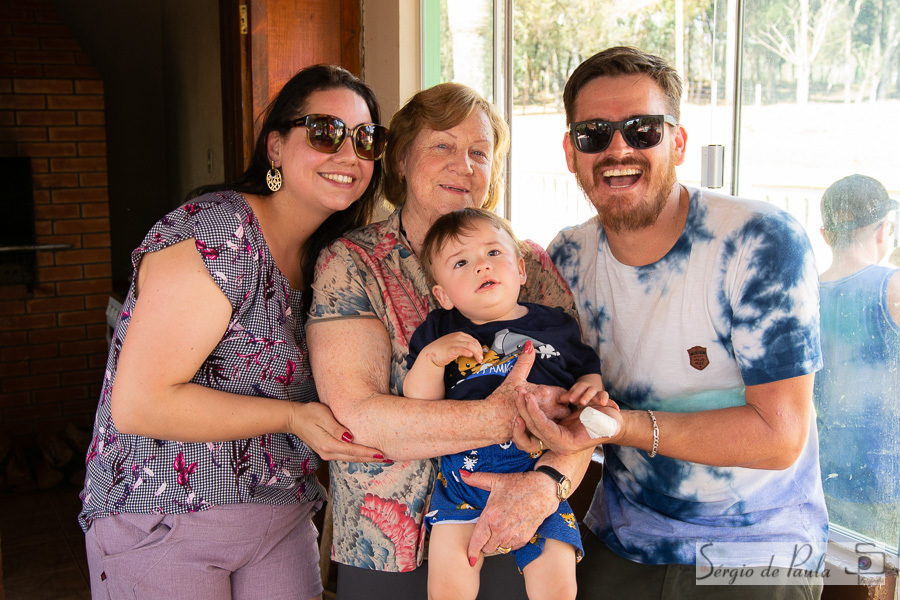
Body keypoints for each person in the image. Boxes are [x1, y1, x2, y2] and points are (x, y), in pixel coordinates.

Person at [514, 46, 828, 599]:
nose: (618, 149)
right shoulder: (567, 257)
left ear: (677, 142)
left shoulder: (759, 241)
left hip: (756, 547)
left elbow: (781, 436)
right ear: (571, 151)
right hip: (625, 536)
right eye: (594, 134)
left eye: (642, 130)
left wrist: (624, 427)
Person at [78, 64, 388, 600]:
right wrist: (293, 416)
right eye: (324, 132)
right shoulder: (220, 232)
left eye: (366, 140)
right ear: (275, 147)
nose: (349, 155)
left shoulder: (333, 260)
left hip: (277, 515)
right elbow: (141, 403)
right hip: (167, 516)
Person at [307, 83, 593, 600]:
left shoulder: (526, 265)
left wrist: (545, 485)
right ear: (400, 160)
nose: (463, 164)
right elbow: (358, 419)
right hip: (386, 541)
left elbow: (582, 407)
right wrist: (511, 414)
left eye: (479, 153)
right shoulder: (354, 263)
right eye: (442, 146)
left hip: (518, 524)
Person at [405, 208, 612, 600]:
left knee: (557, 582)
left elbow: (587, 368)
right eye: (462, 262)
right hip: (464, 473)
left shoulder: (555, 324)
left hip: (538, 465)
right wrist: (432, 360)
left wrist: (588, 388)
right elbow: (419, 404)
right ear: (443, 295)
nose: (482, 266)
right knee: (449, 580)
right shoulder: (441, 330)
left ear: (520, 269)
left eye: (493, 254)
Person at [815, 174, 900, 542]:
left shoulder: (807, 295)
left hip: (829, 474)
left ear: (825, 234)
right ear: (884, 230)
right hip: (888, 482)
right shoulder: (891, 285)